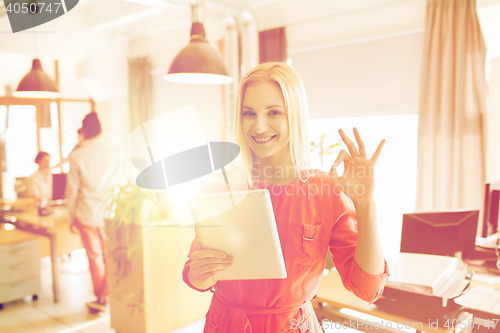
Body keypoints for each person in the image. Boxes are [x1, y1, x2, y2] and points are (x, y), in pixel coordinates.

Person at [182, 62, 390, 332]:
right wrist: (197, 276)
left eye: (273, 112)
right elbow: (196, 272)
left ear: (294, 115)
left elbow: (367, 289)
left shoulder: (326, 191)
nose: (258, 126)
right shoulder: (217, 186)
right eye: (249, 113)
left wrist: (366, 204)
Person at [66, 111, 124, 312]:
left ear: (83, 132)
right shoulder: (114, 151)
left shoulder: (76, 155)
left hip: (87, 214)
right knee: (110, 254)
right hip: (110, 212)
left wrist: (70, 215)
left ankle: (102, 299)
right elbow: (120, 181)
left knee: (94, 257)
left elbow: (72, 190)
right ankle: (109, 294)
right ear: (100, 130)